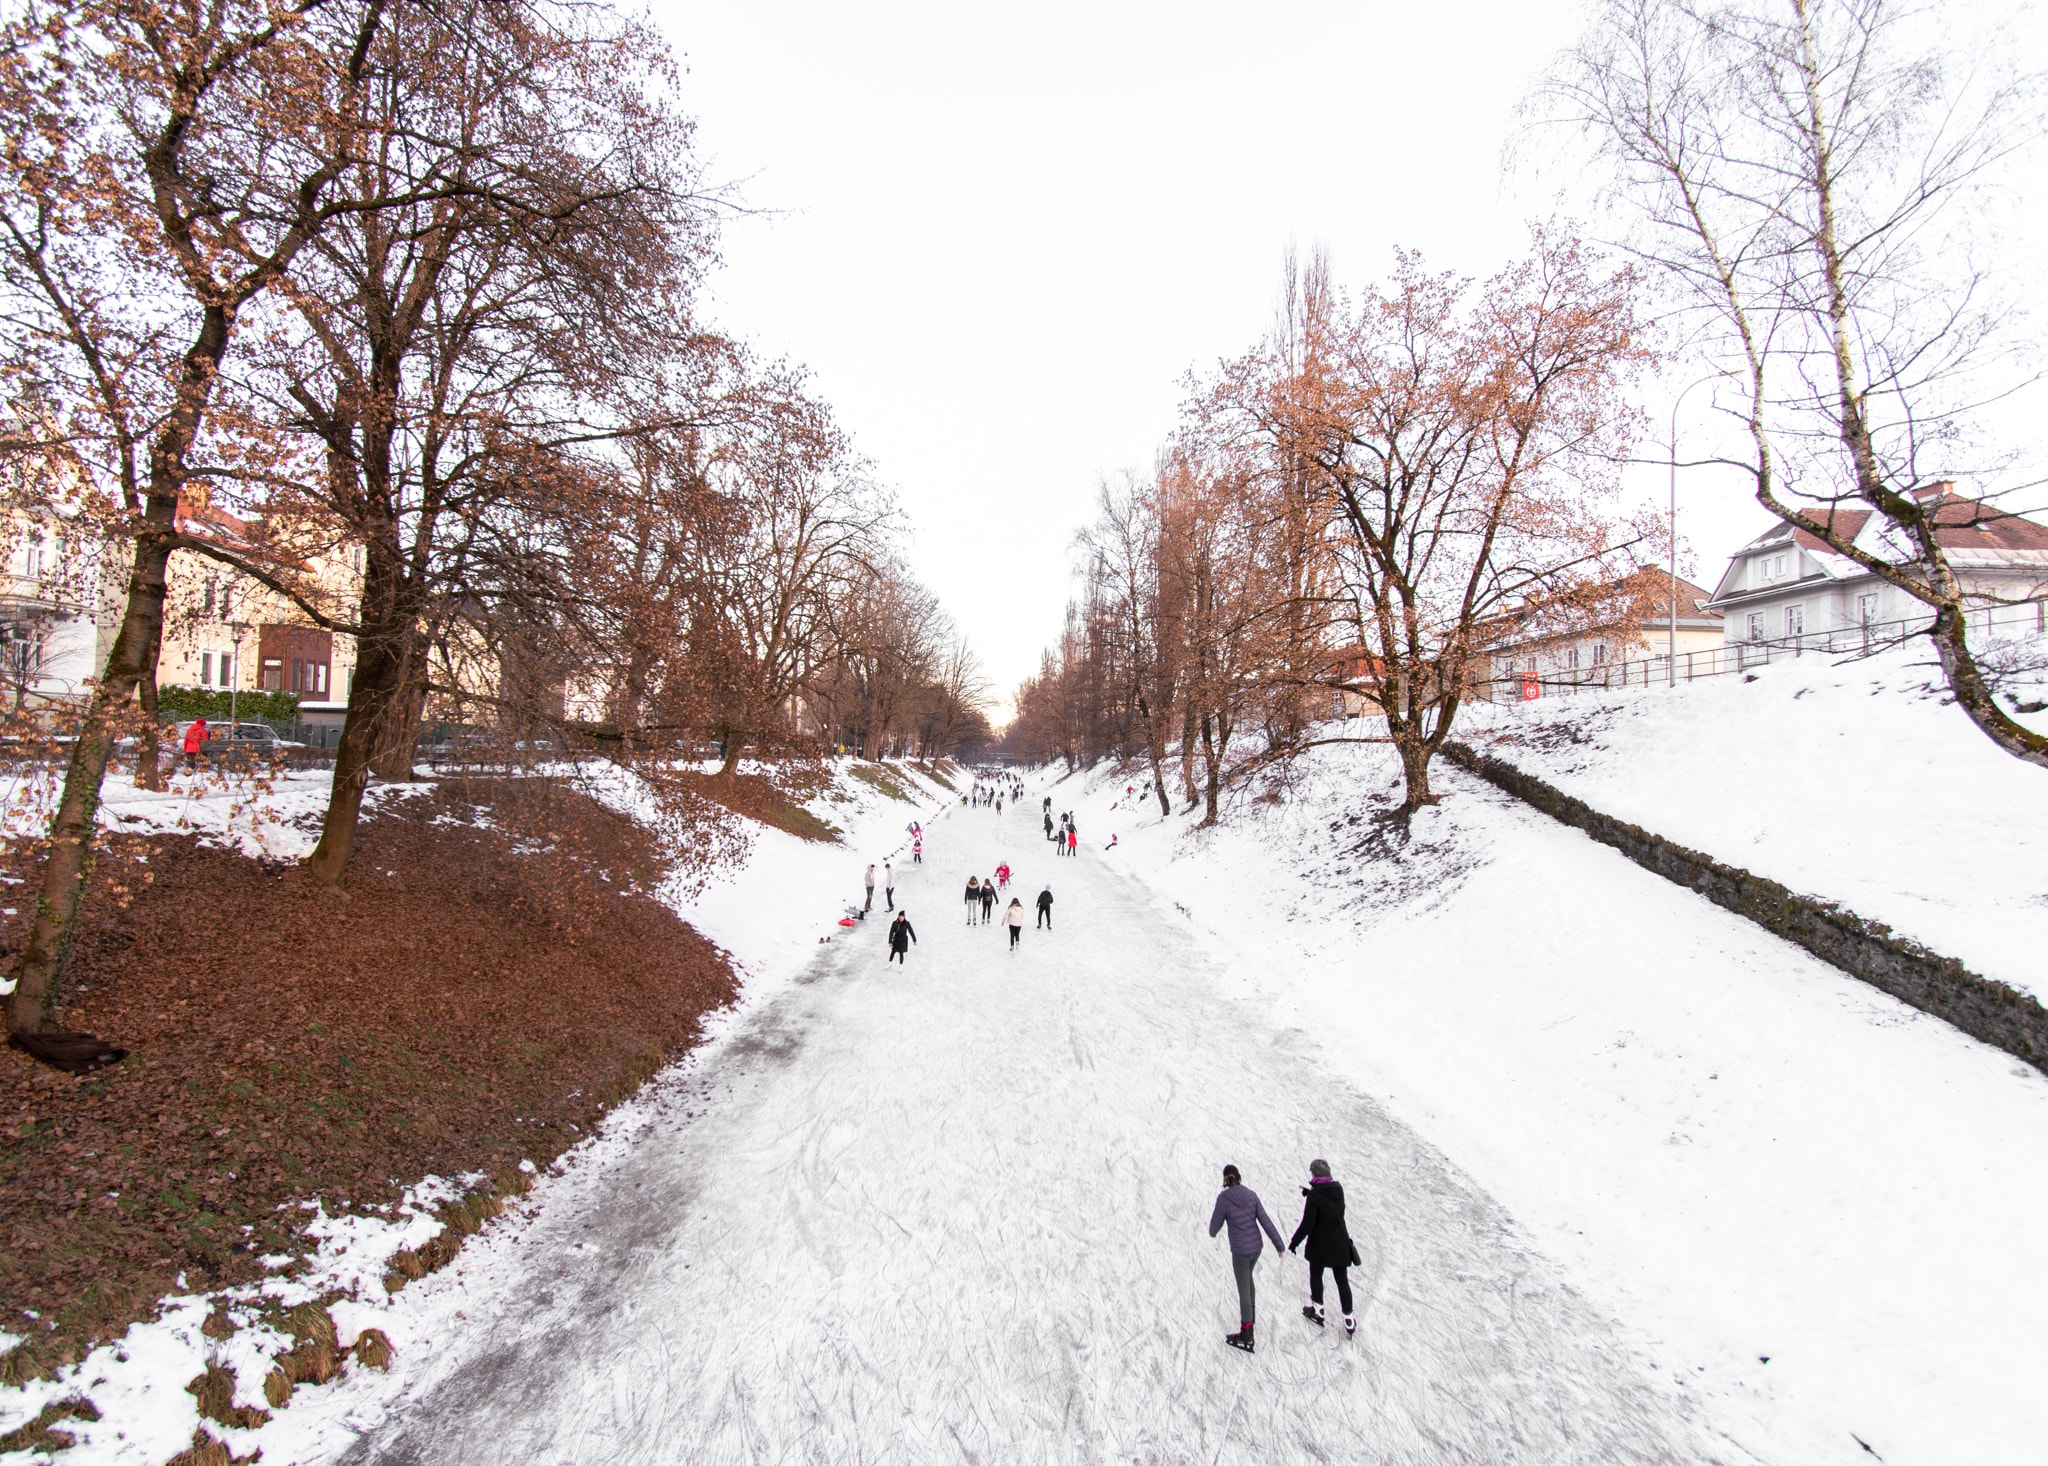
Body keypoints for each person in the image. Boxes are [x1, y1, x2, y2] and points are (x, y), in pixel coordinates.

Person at [1209, 1164, 1285, 1353]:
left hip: (1241, 1252)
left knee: (1243, 1288)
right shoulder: (1251, 1194)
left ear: (1225, 1179)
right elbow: (1265, 1220)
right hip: (1256, 1248)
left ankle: (1247, 1334)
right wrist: (1279, 1245)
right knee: (1248, 1279)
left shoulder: (1224, 1199)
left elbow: (1212, 1229)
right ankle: (1251, 1318)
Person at [1287, 1158, 1359, 1337]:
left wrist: (1294, 1242)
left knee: (1316, 1276)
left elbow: (1307, 1224)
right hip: (1339, 1244)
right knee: (1342, 1281)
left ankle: (1318, 1312)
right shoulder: (1338, 1189)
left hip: (1320, 1246)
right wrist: (1311, 1194)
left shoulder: (1315, 1196)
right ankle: (1349, 1319)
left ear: (1315, 1174)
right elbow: (1330, 1205)